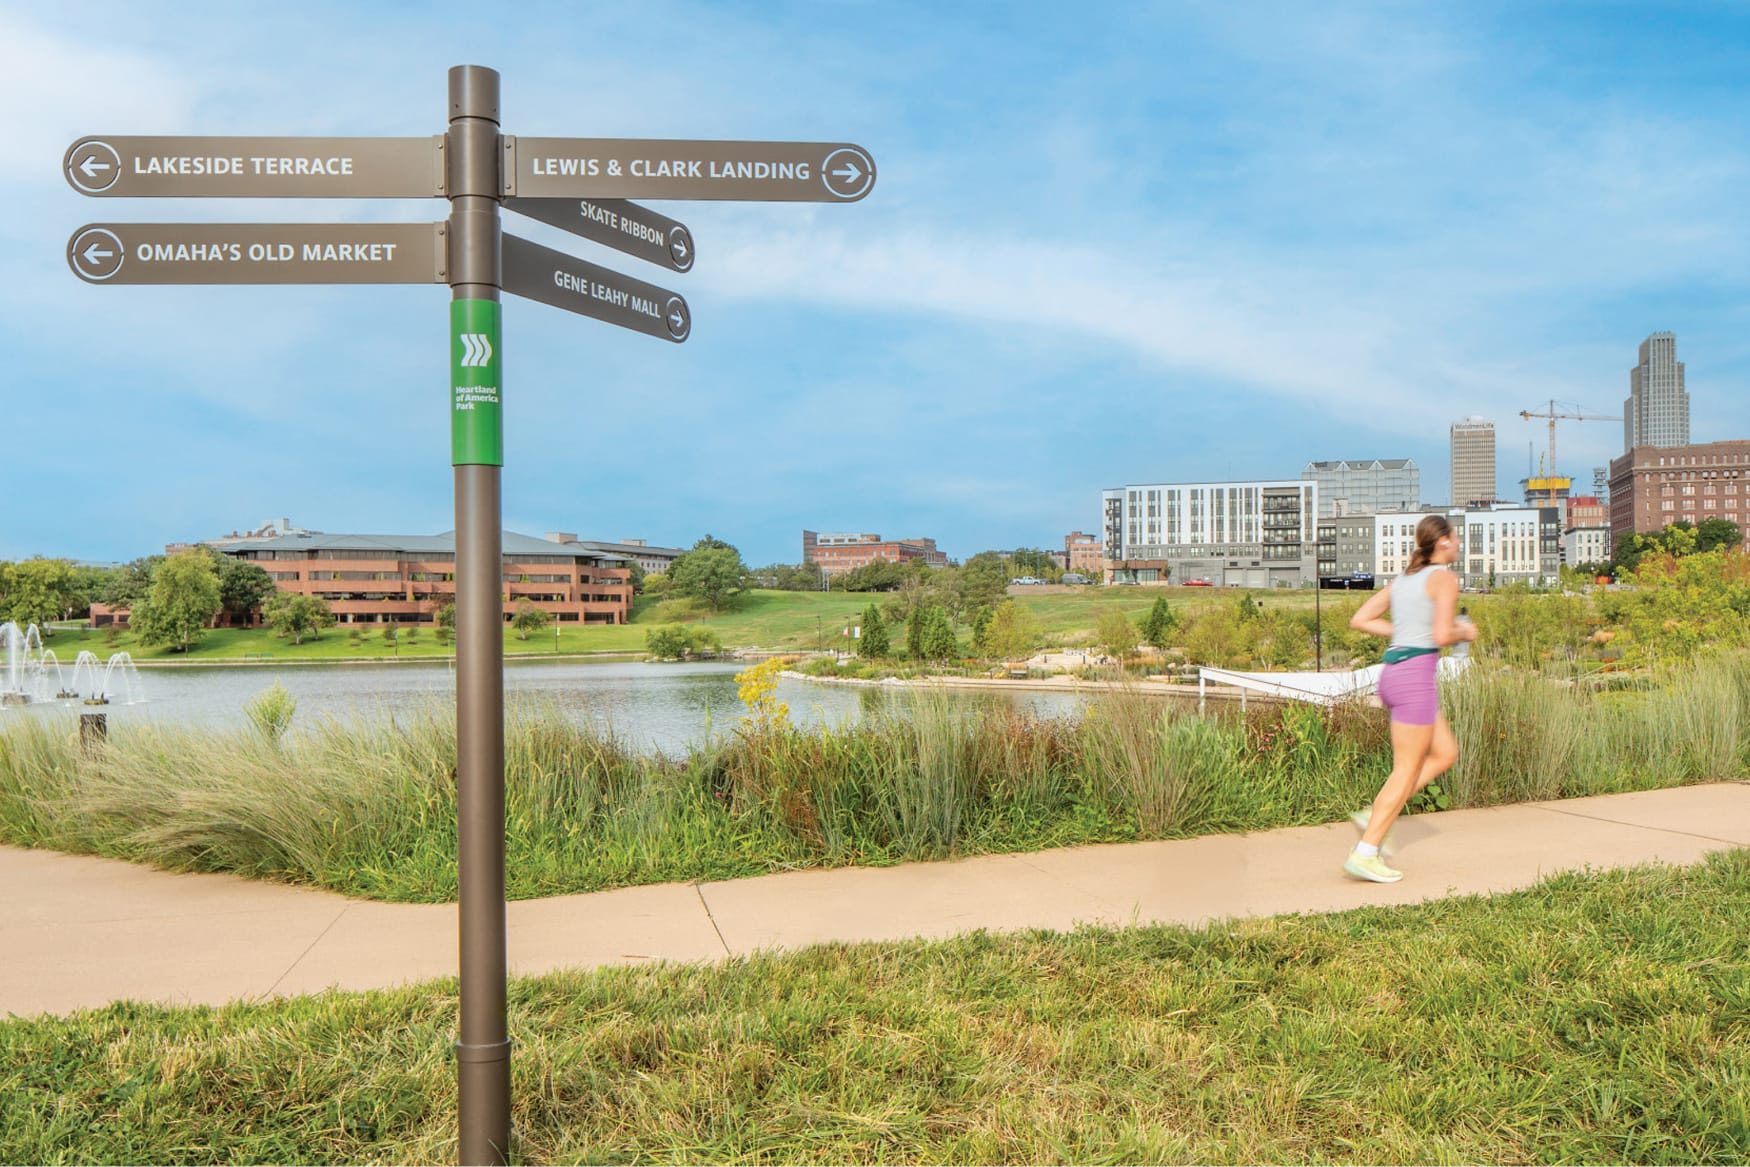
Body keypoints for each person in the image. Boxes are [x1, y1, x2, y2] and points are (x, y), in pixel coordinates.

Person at [1342, 514, 1479, 882]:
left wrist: (1403, 632)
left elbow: (1361, 618)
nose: (1460, 544)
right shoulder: (1444, 579)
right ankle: (1366, 851)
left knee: (1446, 752)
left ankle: (1374, 817)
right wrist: (1464, 632)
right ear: (1444, 542)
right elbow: (1439, 634)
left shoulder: (1404, 579)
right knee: (1405, 772)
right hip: (1415, 679)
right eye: (1457, 538)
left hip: (1394, 674)